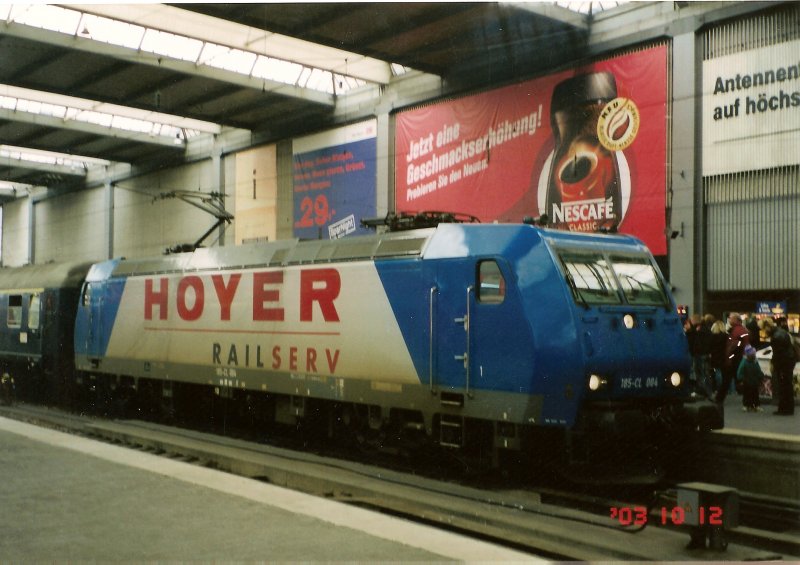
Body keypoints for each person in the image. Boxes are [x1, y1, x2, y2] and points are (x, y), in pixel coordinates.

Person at [759, 317, 796, 416]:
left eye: (763, 329)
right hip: (788, 362)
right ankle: (788, 408)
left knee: (783, 386)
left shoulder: (776, 337)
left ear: (767, 327)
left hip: (783, 364)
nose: (763, 332)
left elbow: (778, 354)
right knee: (787, 386)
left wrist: (774, 365)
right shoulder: (782, 332)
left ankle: (784, 409)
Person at [715, 313, 750, 405]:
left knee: (728, 379)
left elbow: (736, 345)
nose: (729, 320)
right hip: (735, 358)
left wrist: (730, 355)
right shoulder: (740, 330)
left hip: (734, 359)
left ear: (736, 320)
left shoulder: (737, 331)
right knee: (735, 379)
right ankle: (748, 399)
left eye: (730, 318)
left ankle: (719, 398)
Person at [736, 345, 763, 412]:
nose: (753, 355)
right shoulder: (744, 362)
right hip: (747, 381)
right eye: (752, 354)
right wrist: (741, 379)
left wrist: (760, 376)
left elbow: (758, 370)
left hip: (754, 381)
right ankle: (746, 405)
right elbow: (740, 372)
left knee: (755, 394)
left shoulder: (755, 361)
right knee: (747, 394)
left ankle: (755, 405)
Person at [708, 319, 728, 393]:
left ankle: (718, 388)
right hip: (724, 356)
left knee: (717, 372)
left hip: (715, 356)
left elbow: (709, 347)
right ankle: (725, 389)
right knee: (724, 373)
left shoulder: (712, 337)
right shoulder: (726, 336)